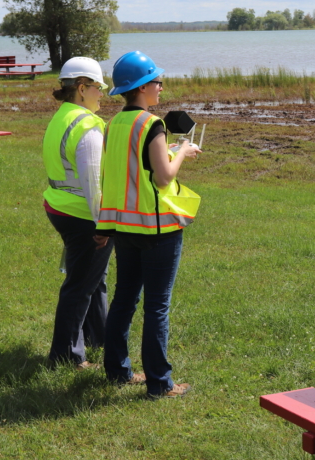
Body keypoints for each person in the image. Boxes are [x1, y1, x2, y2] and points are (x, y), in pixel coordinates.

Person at [99, 51, 201, 398]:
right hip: (157, 230)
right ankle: (160, 384)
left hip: (125, 227)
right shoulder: (152, 124)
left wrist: (167, 150)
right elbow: (162, 178)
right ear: (142, 87)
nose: (161, 86)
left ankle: (117, 371)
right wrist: (183, 152)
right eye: (157, 81)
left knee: (124, 299)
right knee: (157, 305)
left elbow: (130, 166)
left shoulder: (115, 124)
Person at [41, 56, 113, 369]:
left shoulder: (62, 116)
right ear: (82, 88)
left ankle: (99, 337)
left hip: (61, 207)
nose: (103, 93)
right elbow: (93, 183)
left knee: (94, 281)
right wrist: (103, 225)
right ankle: (66, 357)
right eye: (99, 87)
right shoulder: (87, 127)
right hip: (83, 216)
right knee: (81, 286)